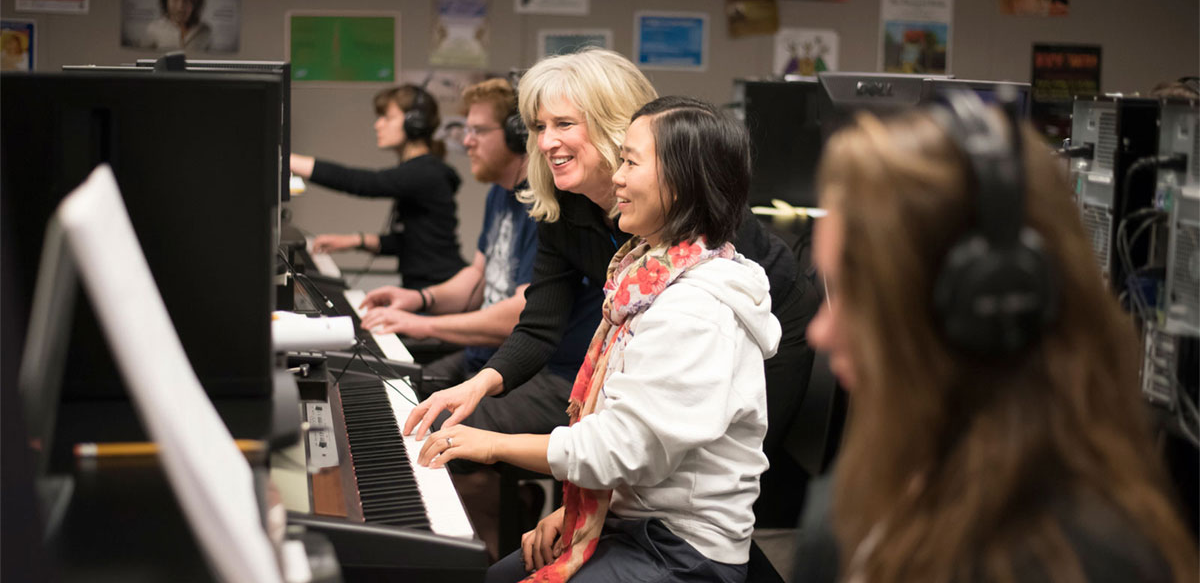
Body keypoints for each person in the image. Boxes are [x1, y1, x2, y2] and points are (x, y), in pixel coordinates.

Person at [402, 52, 818, 529]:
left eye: (563, 124)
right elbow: (540, 325)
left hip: (768, 324)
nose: (546, 142)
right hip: (682, 342)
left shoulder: (683, 203)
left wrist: (587, 505)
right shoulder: (564, 204)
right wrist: (478, 385)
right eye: (539, 127)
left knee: (724, 485)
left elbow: (672, 434)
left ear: (610, 123)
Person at [803, 96, 1198, 581]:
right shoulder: (844, 516)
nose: (819, 332)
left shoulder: (1094, 562)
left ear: (985, 301)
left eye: (856, 297)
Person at [357, 78, 601, 438]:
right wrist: (420, 299)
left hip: (544, 371)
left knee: (425, 431)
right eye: (465, 130)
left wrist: (424, 324)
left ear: (516, 135)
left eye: (478, 131)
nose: (466, 141)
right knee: (384, 391)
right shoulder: (499, 194)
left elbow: (524, 313)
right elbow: (477, 275)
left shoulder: (545, 203)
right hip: (487, 354)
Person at [290, 84, 466, 290]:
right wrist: (353, 241)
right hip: (427, 285)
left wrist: (289, 161)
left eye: (387, 118)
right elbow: (410, 242)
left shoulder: (425, 173)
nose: (378, 125)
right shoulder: (422, 170)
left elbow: (363, 183)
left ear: (414, 124)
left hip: (439, 287)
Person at [143, 0, 212, 52]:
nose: (180, 6)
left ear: (195, 3)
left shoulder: (205, 30)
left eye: (186, 0)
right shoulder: (154, 28)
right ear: (166, 2)